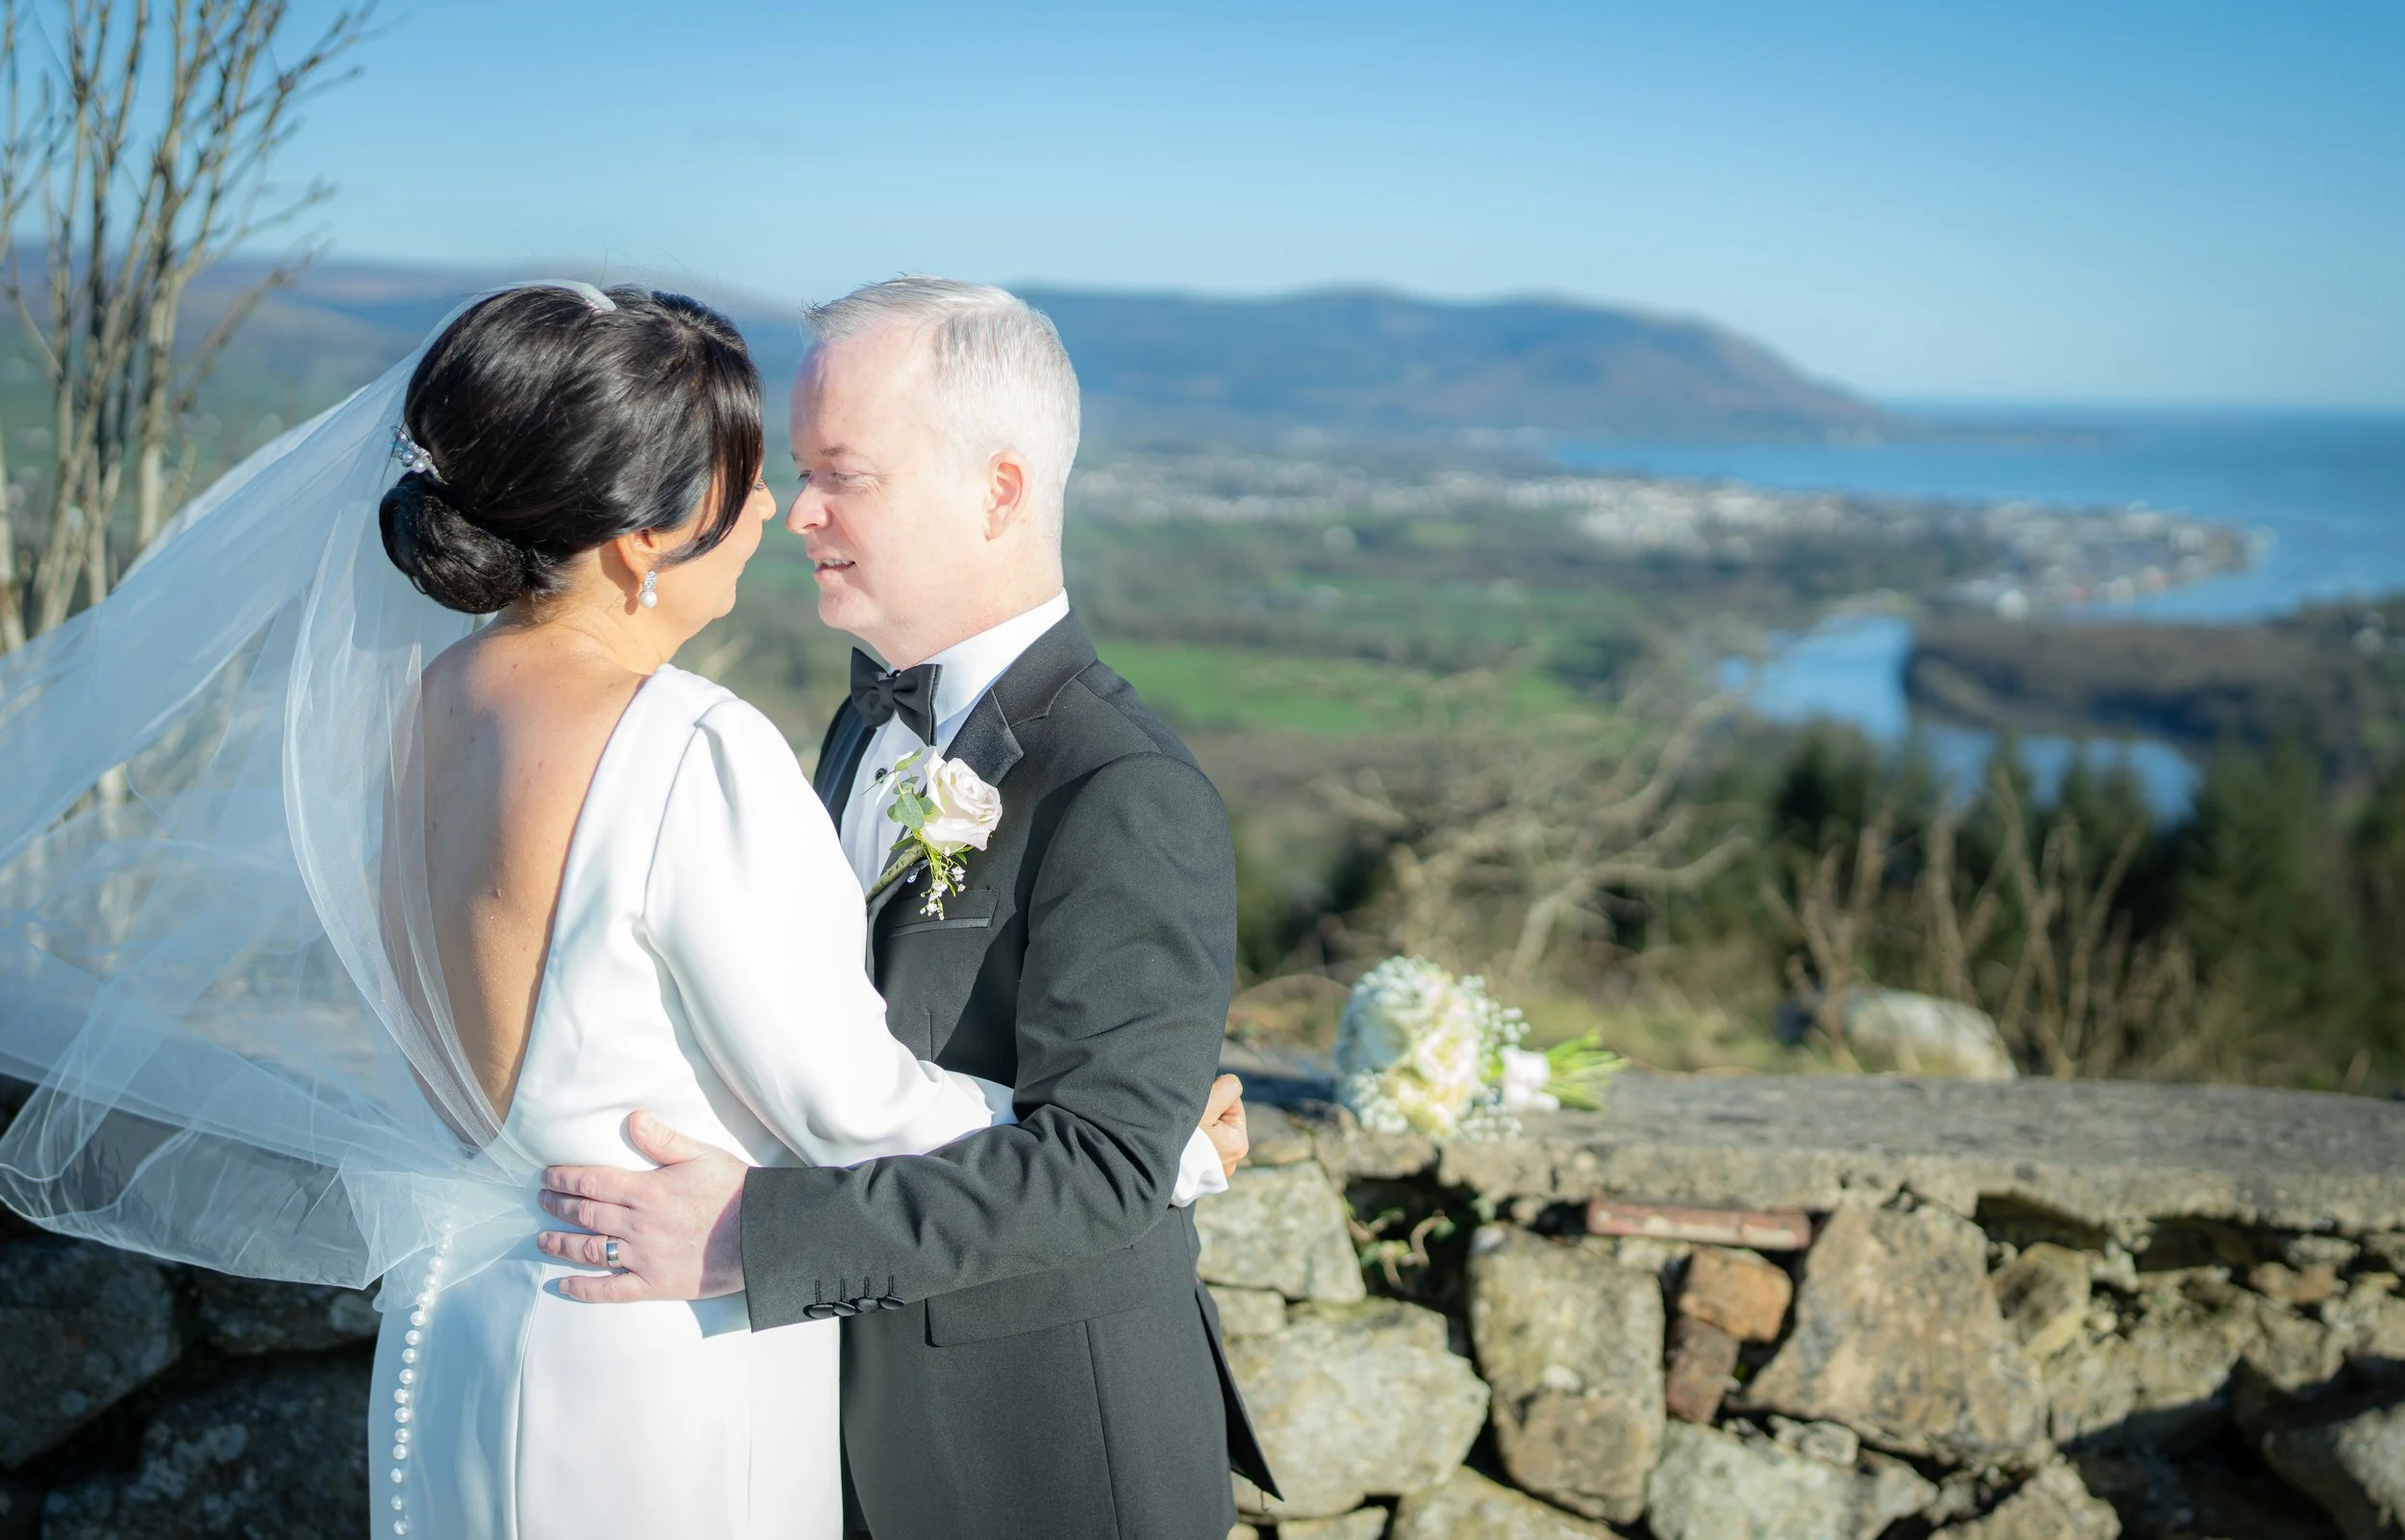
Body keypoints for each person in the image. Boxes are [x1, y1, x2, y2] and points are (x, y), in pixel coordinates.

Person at [0, 280, 1246, 1540]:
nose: (780, 510)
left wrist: (1110, 1140)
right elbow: (842, 1098)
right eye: (757, 474)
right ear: (641, 534)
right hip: (653, 1353)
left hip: (479, 1321)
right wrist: (1160, 1145)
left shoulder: (422, 711)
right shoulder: (688, 742)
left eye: (835, 473)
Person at [538, 278, 1279, 1540]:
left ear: (998, 489)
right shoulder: (859, 726)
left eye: (845, 476)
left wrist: (751, 1239)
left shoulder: (1124, 789)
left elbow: (1104, 1166)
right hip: (843, 1431)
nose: (799, 516)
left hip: (1043, 1450)